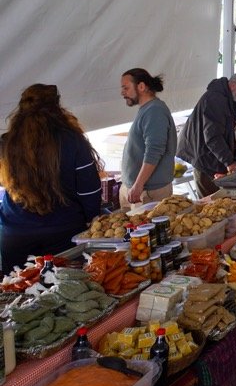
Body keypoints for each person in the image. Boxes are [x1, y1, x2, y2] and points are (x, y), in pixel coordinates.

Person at [0, 84, 102, 272]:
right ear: (56, 108)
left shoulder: (7, 142)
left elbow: (5, 182)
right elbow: (89, 189)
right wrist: (92, 217)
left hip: (15, 232)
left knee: (16, 286)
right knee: (65, 286)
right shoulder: (72, 140)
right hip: (63, 231)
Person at [177, 73, 236, 198]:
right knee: (210, 201)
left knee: (220, 199)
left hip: (214, 155)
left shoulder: (232, 96)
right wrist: (229, 161)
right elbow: (213, 136)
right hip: (204, 156)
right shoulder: (215, 99)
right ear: (233, 85)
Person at [119, 69, 177, 208]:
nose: (122, 93)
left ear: (141, 86)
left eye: (126, 88)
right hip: (137, 189)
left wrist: (138, 185)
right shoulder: (147, 109)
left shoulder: (155, 111)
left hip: (147, 192)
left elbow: (154, 151)